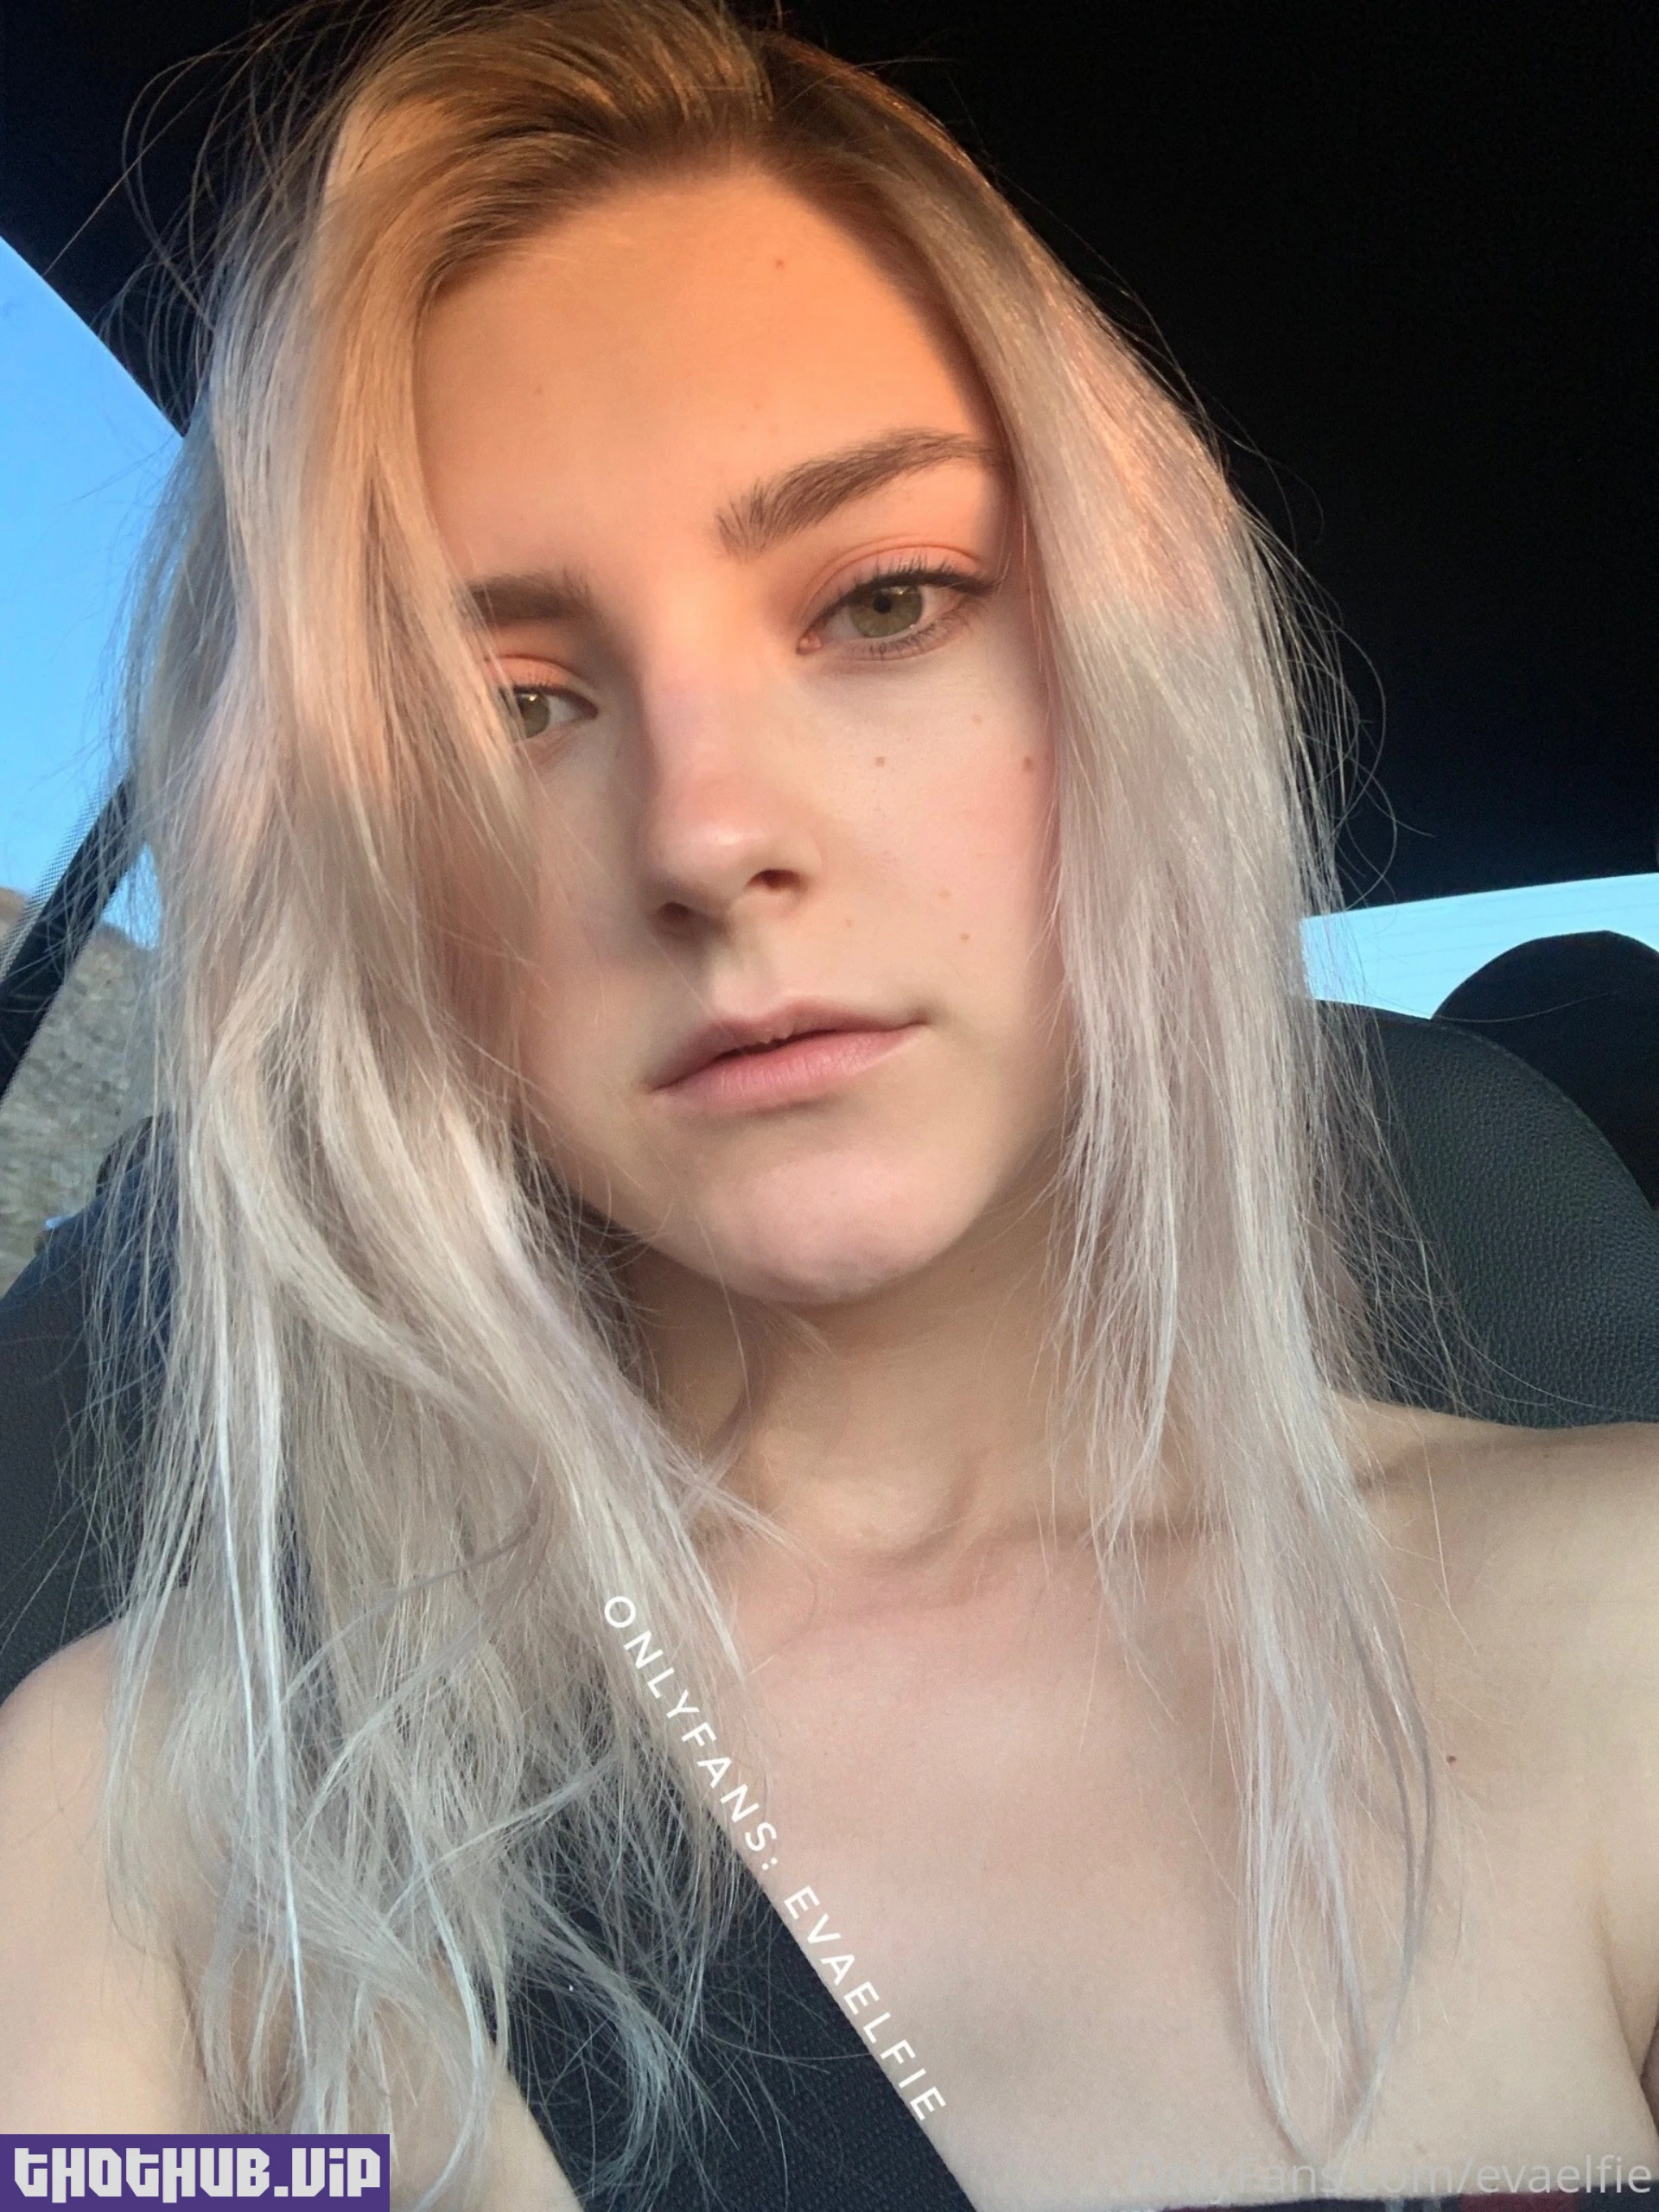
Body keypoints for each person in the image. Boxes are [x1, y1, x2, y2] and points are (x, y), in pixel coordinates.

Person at [2, 1, 1658, 2204]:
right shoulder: (152, 1824)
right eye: (507, 706)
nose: (705, 833)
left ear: (1132, 669)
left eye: (889, 599)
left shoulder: (1628, 1631)